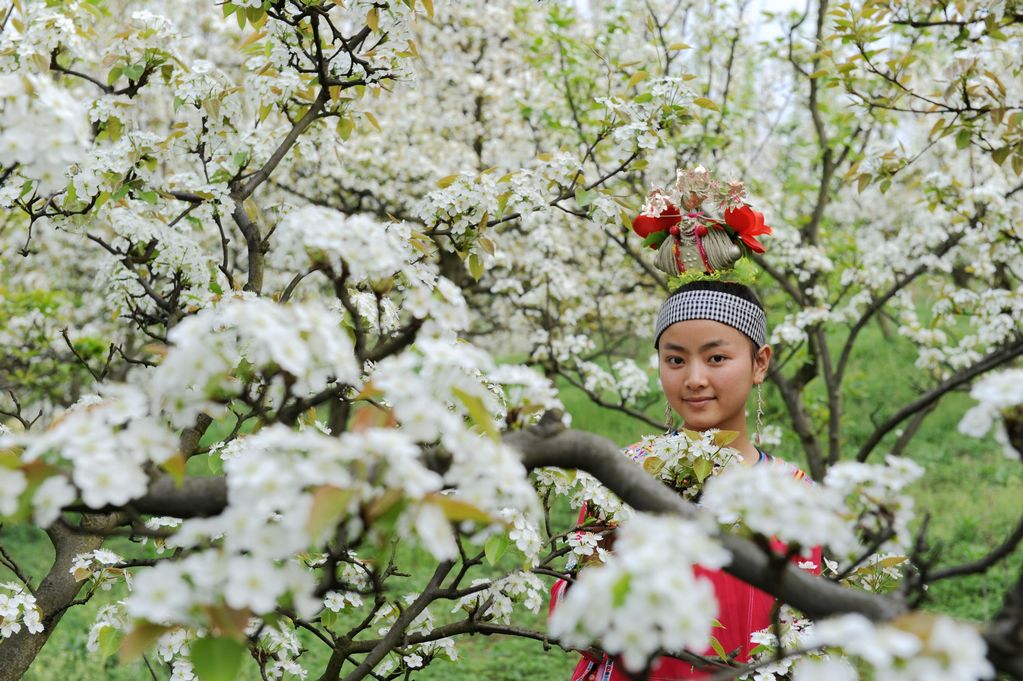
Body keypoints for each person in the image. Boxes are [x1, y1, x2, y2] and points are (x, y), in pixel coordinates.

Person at [549, 168, 820, 681]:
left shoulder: (795, 498)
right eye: (676, 360)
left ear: (760, 362)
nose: (694, 379)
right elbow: (572, 623)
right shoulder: (623, 477)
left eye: (716, 358)